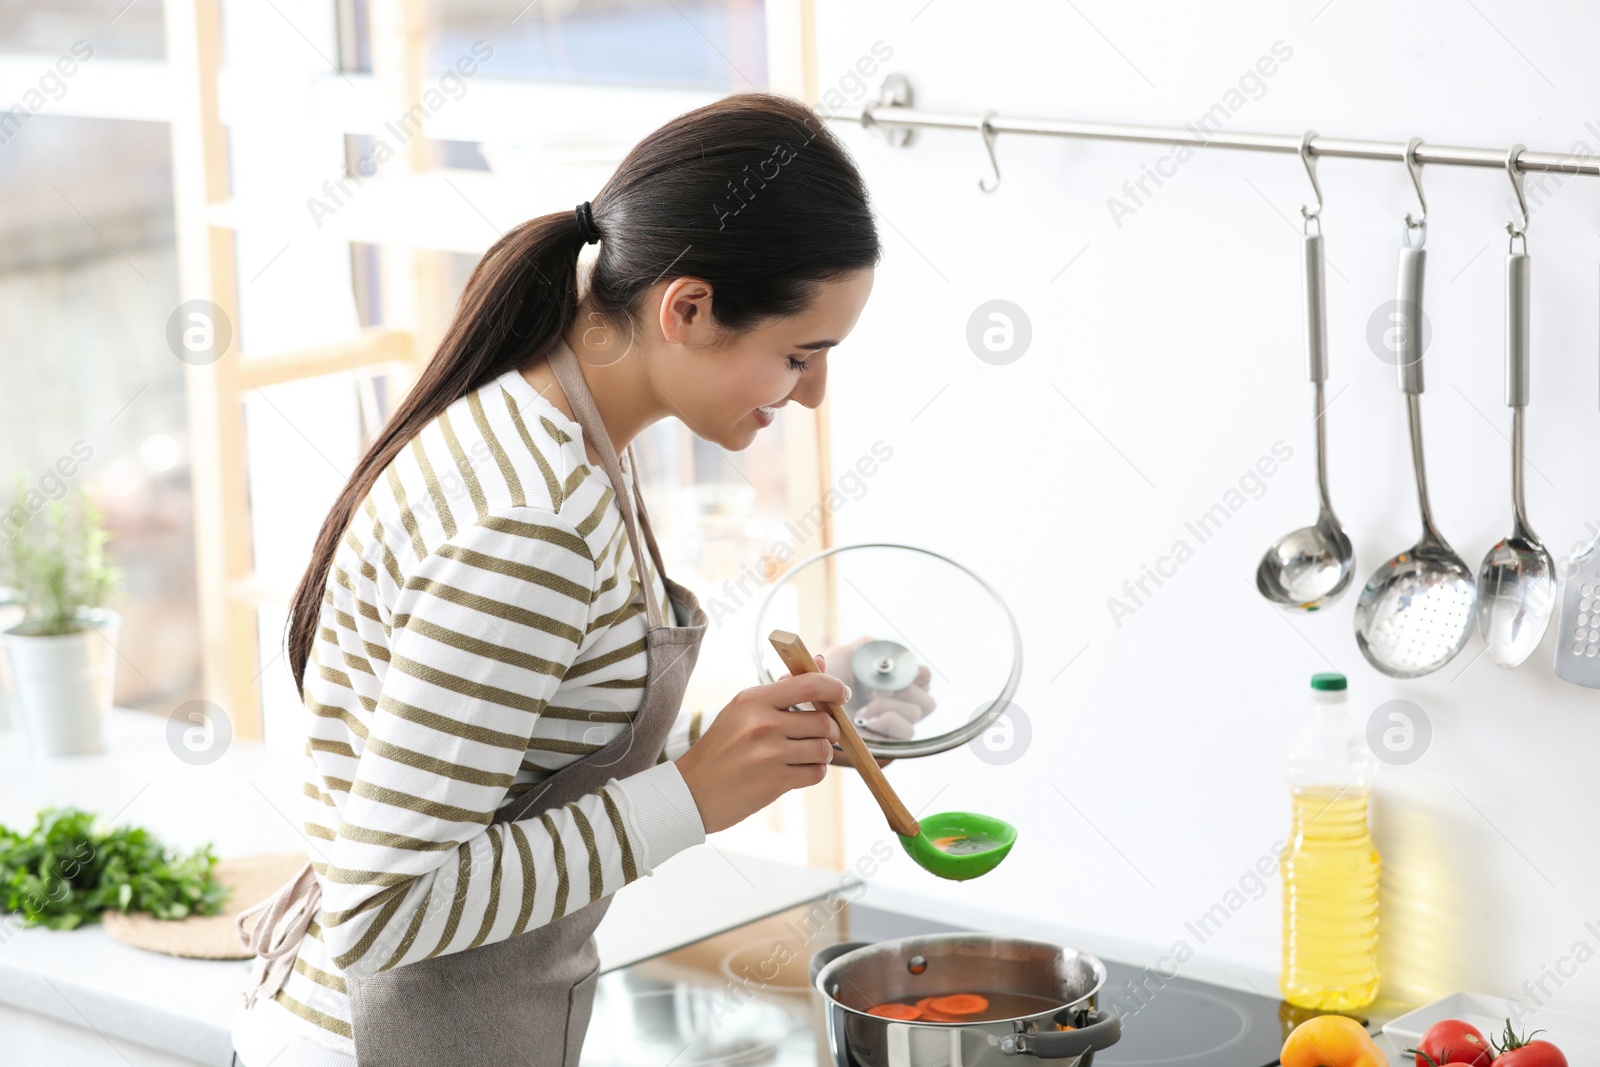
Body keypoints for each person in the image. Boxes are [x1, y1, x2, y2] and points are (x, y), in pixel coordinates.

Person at [227, 91, 934, 1067]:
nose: (811, 392)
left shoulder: (557, 429)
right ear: (685, 308)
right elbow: (380, 910)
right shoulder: (535, 520)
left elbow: (530, 742)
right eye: (800, 353)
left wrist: (761, 733)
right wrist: (691, 793)